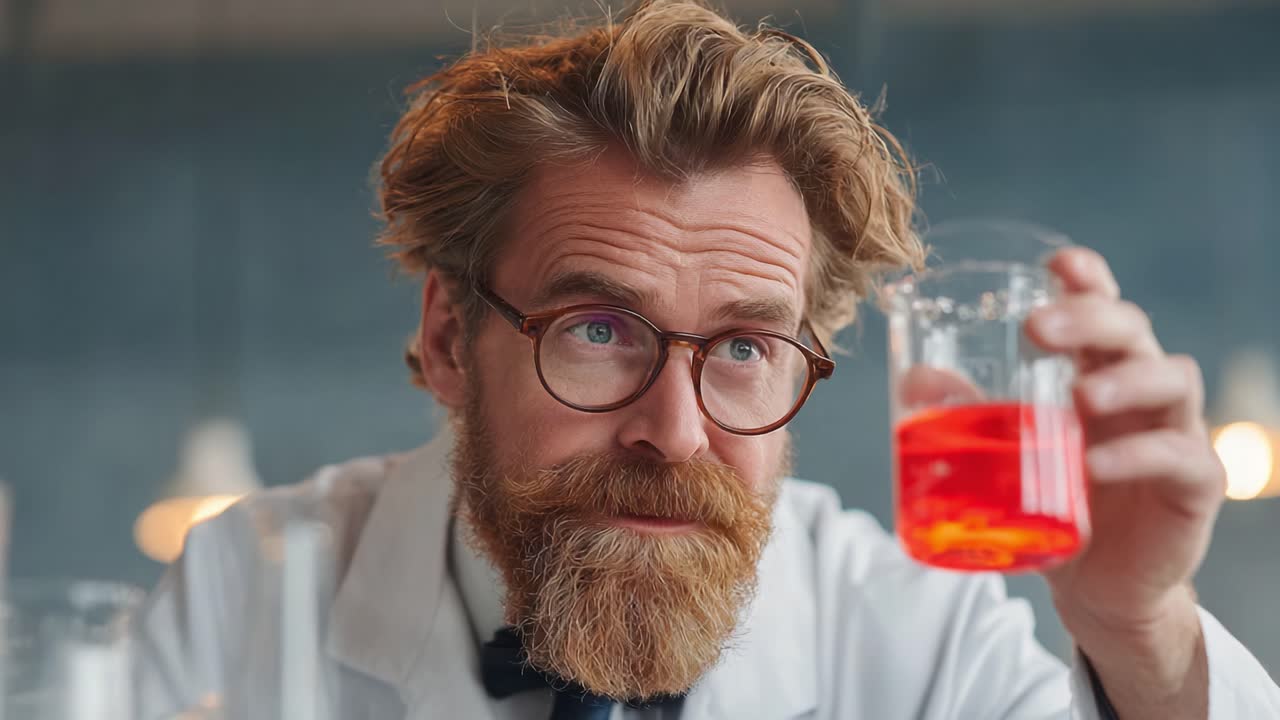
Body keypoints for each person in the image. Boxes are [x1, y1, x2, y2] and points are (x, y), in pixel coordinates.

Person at [133, 1, 1280, 718]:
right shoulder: (247, 595)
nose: (674, 433)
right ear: (447, 340)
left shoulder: (913, 633)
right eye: (597, 330)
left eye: (741, 346)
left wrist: (1140, 631)